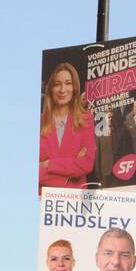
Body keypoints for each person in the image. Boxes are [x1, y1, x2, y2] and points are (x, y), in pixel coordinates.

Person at [39, 62, 96, 191]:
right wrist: (69, 177)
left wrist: (49, 164)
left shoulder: (85, 119)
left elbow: (86, 164)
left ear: (75, 87)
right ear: (50, 89)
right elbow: (34, 173)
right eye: (57, 84)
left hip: (75, 201)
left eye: (68, 83)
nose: (62, 90)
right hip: (44, 200)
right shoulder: (39, 122)